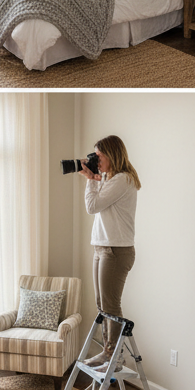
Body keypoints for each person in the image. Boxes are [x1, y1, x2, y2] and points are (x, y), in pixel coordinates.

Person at [80, 134, 140, 368]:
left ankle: (115, 357)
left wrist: (90, 180)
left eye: (99, 156)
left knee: (111, 305)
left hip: (116, 250)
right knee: (101, 303)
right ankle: (107, 352)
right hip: (102, 247)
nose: (97, 161)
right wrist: (96, 178)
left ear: (112, 155)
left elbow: (92, 206)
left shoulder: (123, 179)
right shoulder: (109, 178)